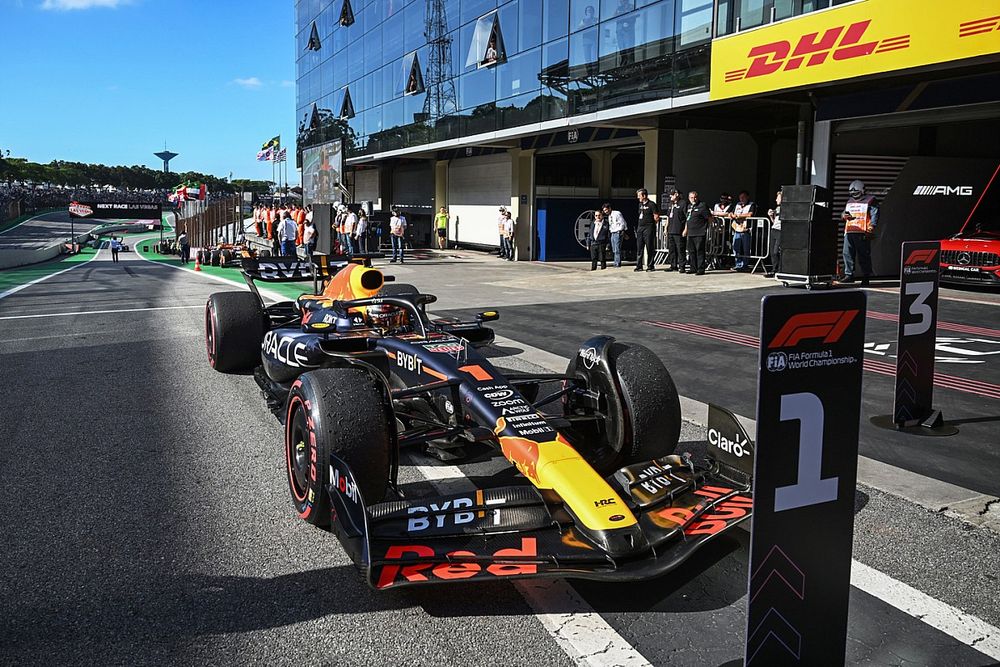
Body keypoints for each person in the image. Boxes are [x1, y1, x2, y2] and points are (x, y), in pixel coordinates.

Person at [841, 179, 879, 285]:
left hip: (863, 232)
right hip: (849, 231)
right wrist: (844, 215)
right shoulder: (850, 201)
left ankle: (866, 277)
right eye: (852, 193)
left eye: (856, 193)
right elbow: (844, 213)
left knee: (863, 255)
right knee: (847, 253)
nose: (854, 195)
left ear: (862, 191)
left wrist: (871, 227)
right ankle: (849, 275)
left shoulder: (870, 200)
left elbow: (875, 214)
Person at [683, 191, 713, 275]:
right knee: (691, 251)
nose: (694, 199)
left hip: (700, 232)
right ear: (689, 198)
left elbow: (709, 218)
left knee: (699, 251)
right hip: (691, 232)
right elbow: (687, 219)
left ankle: (700, 269)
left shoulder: (702, 206)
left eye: (695, 197)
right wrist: (685, 230)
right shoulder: (689, 206)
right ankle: (693, 267)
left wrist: (707, 228)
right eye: (692, 198)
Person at [634, 188, 659, 272]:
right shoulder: (640, 204)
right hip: (640, 228)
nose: (638, 198)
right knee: (639, 247)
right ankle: (639, 265)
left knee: (649, 247)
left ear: (644, 195)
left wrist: (652, 225)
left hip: (648, 228)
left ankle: (650, 265)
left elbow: (656, 217)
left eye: (639, 196)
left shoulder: (652, 204)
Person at [731, 190, 756, 272]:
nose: (741, 199)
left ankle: (745, 265)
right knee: (736, 247)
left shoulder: (751, 204)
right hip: (737, 228)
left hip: (746, 229)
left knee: (746, 248)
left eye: (743, 197)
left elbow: (750, 214)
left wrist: (739, 216)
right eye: (740, 197)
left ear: (747, 197)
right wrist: (732, 215)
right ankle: (738, 264)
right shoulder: (737, 204)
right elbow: (732, 213)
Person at [663, 189, 687, 273]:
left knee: (680, 249)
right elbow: (668, 217)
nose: (670, 196)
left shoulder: (683, 203)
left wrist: (685, 229)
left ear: (676, 194)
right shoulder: (671, 204)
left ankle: (682, 266)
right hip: (671, 230)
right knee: (672, 249)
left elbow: (687, 217)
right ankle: (673, 265)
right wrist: (666, 228)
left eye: (672, 195)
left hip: (679, 230)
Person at [602, 203, 627, 268]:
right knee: (614, 249)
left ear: (609, 208)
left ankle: (617, 263)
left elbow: (622, 222)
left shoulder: (617, 213)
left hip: (618, 232)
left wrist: (622, 231)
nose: (605, 212)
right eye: (604, 210)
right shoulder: (609, 216)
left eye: (606, 210)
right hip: (612, 232)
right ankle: (615, 262)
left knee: (617, 248)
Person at [766, 190, 782, 277]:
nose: (776, 200)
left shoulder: (786, 208)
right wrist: (771, 216)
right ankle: (774, 269)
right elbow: (774, 221)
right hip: (774, 229)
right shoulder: (777, 208)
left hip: (780, 230)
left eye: (778, 198)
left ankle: (779, 269)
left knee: (776, 251)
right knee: (772, 251)